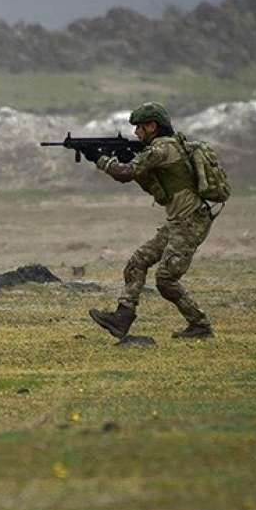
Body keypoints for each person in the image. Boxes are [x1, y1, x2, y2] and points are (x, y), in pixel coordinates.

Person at [89, 102, 215, 340]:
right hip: (179, 221)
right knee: (137, 263)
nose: (136, 133)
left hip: (190, 222)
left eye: (140, 128)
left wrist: (100, 159)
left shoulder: (162, 149)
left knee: (166, 279)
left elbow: (125, 173)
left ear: (152, 126)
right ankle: (122, 318)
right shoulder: (165, 146)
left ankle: (200, 325)